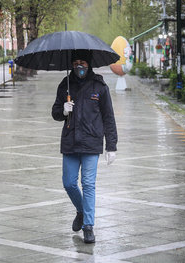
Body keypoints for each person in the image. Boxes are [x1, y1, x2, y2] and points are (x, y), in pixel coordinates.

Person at [52, 50, 118, 243]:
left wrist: (111, 146)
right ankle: (81, 210)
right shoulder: (65, 85)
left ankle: (88, 225)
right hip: (70, 142)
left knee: (88, 184)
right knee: (69, 183)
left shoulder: (99, 87)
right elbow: (55, 113)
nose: (79, 66)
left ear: (89, 63)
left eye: (82, 62)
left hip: (91, 142)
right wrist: (63, 110)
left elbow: (109, 117)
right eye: (75, 63)